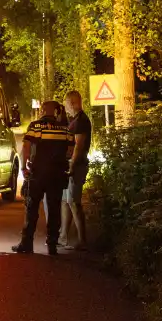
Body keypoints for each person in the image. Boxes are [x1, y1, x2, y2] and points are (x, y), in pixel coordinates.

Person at [12, 100, 73, 255]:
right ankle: (52, 244)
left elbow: (26, 147)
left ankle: (27, 243)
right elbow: (70, 152)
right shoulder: (65, 129)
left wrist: (24, 166)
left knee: (31, 208)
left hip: (38, 174)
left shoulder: (36, 127)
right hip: (57, 175)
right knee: (54, 209)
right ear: (56, 112)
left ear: (43, 111)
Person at [61, 90, 92, 250]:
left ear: (72, 102)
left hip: (77, 166)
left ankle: (82, 241)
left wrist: (72, 165)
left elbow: (79, 146)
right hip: (72, 165)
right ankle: (63, 237)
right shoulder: (75, 120)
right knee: (66, 201)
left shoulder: (81, 121)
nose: (64, 106)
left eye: (66, 103)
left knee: (74, 202)